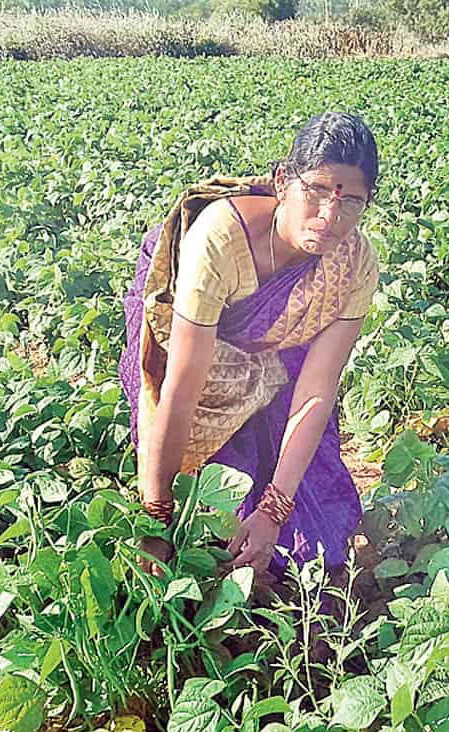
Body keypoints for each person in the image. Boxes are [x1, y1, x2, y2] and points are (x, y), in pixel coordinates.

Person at [118, 112, 381, 583]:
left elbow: (317, 389)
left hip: (277, 369)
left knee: (308, 541)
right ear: (283, 181)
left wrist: (275, 508)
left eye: (350, 202)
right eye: (316, 191)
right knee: (212, 512)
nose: (329, 216)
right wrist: (155, 517)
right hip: (198, 363)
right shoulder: (220, 239)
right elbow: (181, 387)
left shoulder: (353, 264)